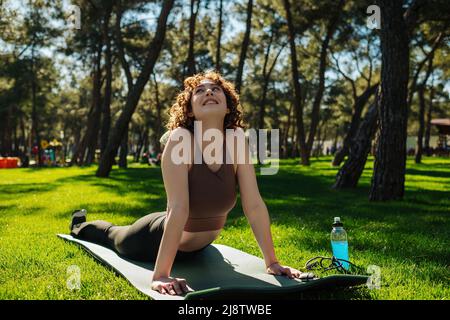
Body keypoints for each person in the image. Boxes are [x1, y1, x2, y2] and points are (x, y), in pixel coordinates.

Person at [69, 70, 314, 296]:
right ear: (189, 111)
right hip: (153, 240)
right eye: (200, 91)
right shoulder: (181, 140)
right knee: (113, 235)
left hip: (199, 249)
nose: (209, 92)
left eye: (217, 90)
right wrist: (161, 275)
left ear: (228, 107)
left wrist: (272, 262)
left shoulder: (237, 140)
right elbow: (178, 209)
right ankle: (80, 226)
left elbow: (254, 205)